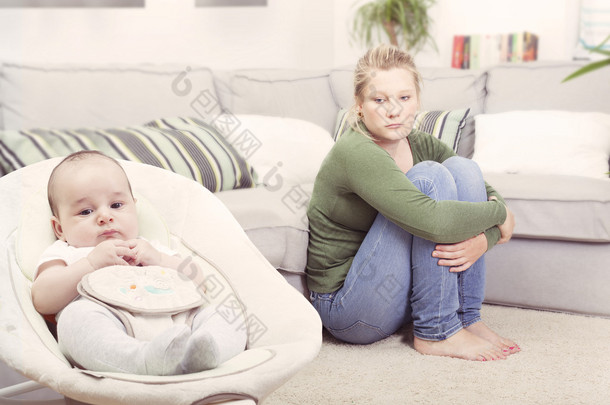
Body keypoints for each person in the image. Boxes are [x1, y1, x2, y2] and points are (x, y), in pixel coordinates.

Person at [306, 44, 519, 361]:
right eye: (379, 100)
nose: (394, 110)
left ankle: (467, 317)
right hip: (349, 307)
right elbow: (435, 221)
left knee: (464, 168)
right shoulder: (357, 151)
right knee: (429, 178)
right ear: (360, 105)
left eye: (404, 98)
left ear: (418, 99)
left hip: (396, 291)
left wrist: (482, 240)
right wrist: (499, 216)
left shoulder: (419, 142)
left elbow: (484, 189)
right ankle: (436, 331)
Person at [31, 150, 246, 375]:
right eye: (86, 211)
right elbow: (42, 298)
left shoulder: (148, 247)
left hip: (179, 322)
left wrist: (159, 259)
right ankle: (142, 361)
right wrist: (90, 263)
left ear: (134, 207)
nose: (105, 216)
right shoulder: (68, 253)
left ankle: (207, 354)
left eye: (116, 205)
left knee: (225, 314)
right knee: (75, 319)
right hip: (113, 326)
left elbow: (198, 280)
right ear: (60, 229)